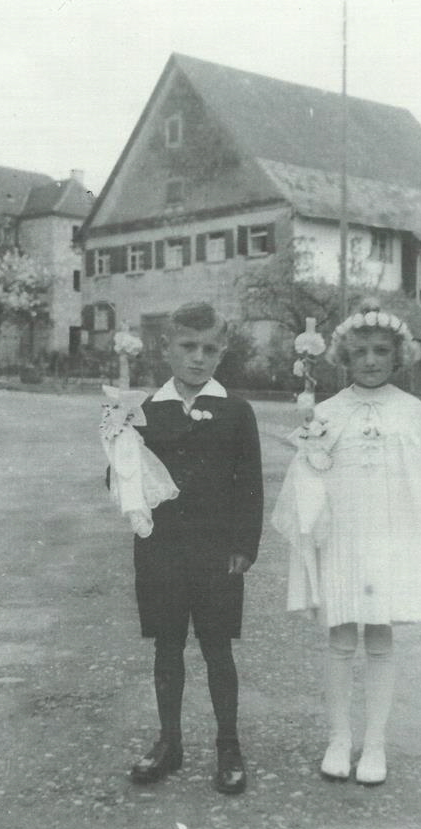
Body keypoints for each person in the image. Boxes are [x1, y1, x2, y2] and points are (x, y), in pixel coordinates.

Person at [272, 303, 421, 785]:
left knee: (380, 638)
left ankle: (374, 744)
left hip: (392, 541)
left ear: (399, 356)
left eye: (382, 351)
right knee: (340, 638)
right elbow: (306, 487)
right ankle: (339, 738)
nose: (372, 361)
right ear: (343, 358)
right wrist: (311, 458)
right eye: (360, 352)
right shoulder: (326, 412)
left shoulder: (415, 414)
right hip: (342, 539)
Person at [124, 302, 263, 794]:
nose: (198, 358)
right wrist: (116, 448)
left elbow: (250, 483)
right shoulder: (141, 410)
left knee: (218, 648)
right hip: (161, 549)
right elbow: (124, 481)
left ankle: (229, 744)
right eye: (188, 347)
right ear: (166, 349)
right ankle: (169, 741)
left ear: (222, 352)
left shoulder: (236, 411)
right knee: (167, 645)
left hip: (215, 552)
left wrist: (245, 545)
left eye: (209, 349)